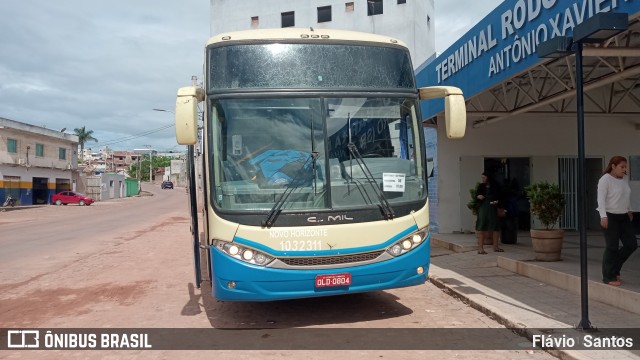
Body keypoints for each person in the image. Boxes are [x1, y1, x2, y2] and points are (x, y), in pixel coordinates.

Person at [597, 156, 637, 286]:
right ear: (613, 166)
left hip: (624, 216)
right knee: (612, 247)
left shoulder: (623, 179)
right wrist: (603, 216)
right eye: (622, 167)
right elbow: (601, 199)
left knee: (631, 244)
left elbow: (626, 196)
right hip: (610, 216)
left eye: (626, 167)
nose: (625, 169)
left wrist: (629, 210)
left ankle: (615, 269)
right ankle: (608, 276)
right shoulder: (605, 180)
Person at [475, 172, 504, 254]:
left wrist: (497, 202)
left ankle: (496, 247)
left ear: (488, 177)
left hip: (493, 208)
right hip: (483, 207)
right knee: (482, 226)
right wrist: (479, 197)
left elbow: (501, 197)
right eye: (482, 177)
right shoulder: (481, 186)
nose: (483, 179)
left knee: (495, 227)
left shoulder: (496, 186)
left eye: (484, 177)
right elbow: (477, 196)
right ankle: (480, 248)